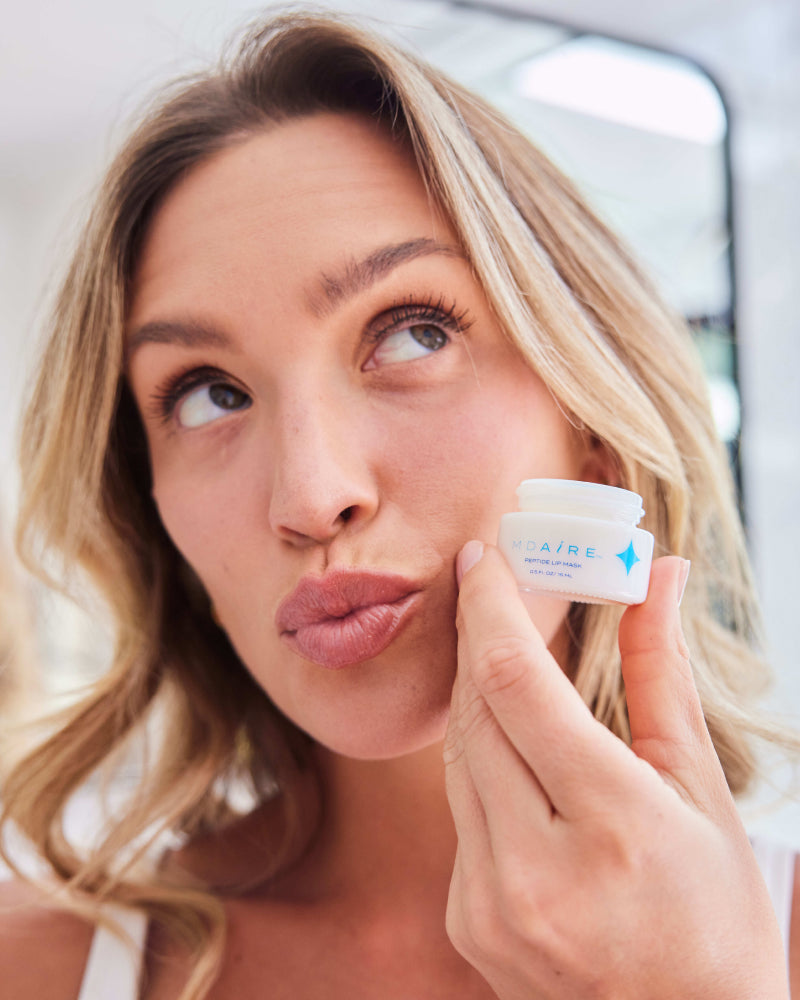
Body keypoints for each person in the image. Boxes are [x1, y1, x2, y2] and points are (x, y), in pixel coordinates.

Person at [0, 9, 796, 999]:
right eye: (209, 393)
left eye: (413, 333)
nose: (311, 495)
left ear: (591, 435)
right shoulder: (34, 965)